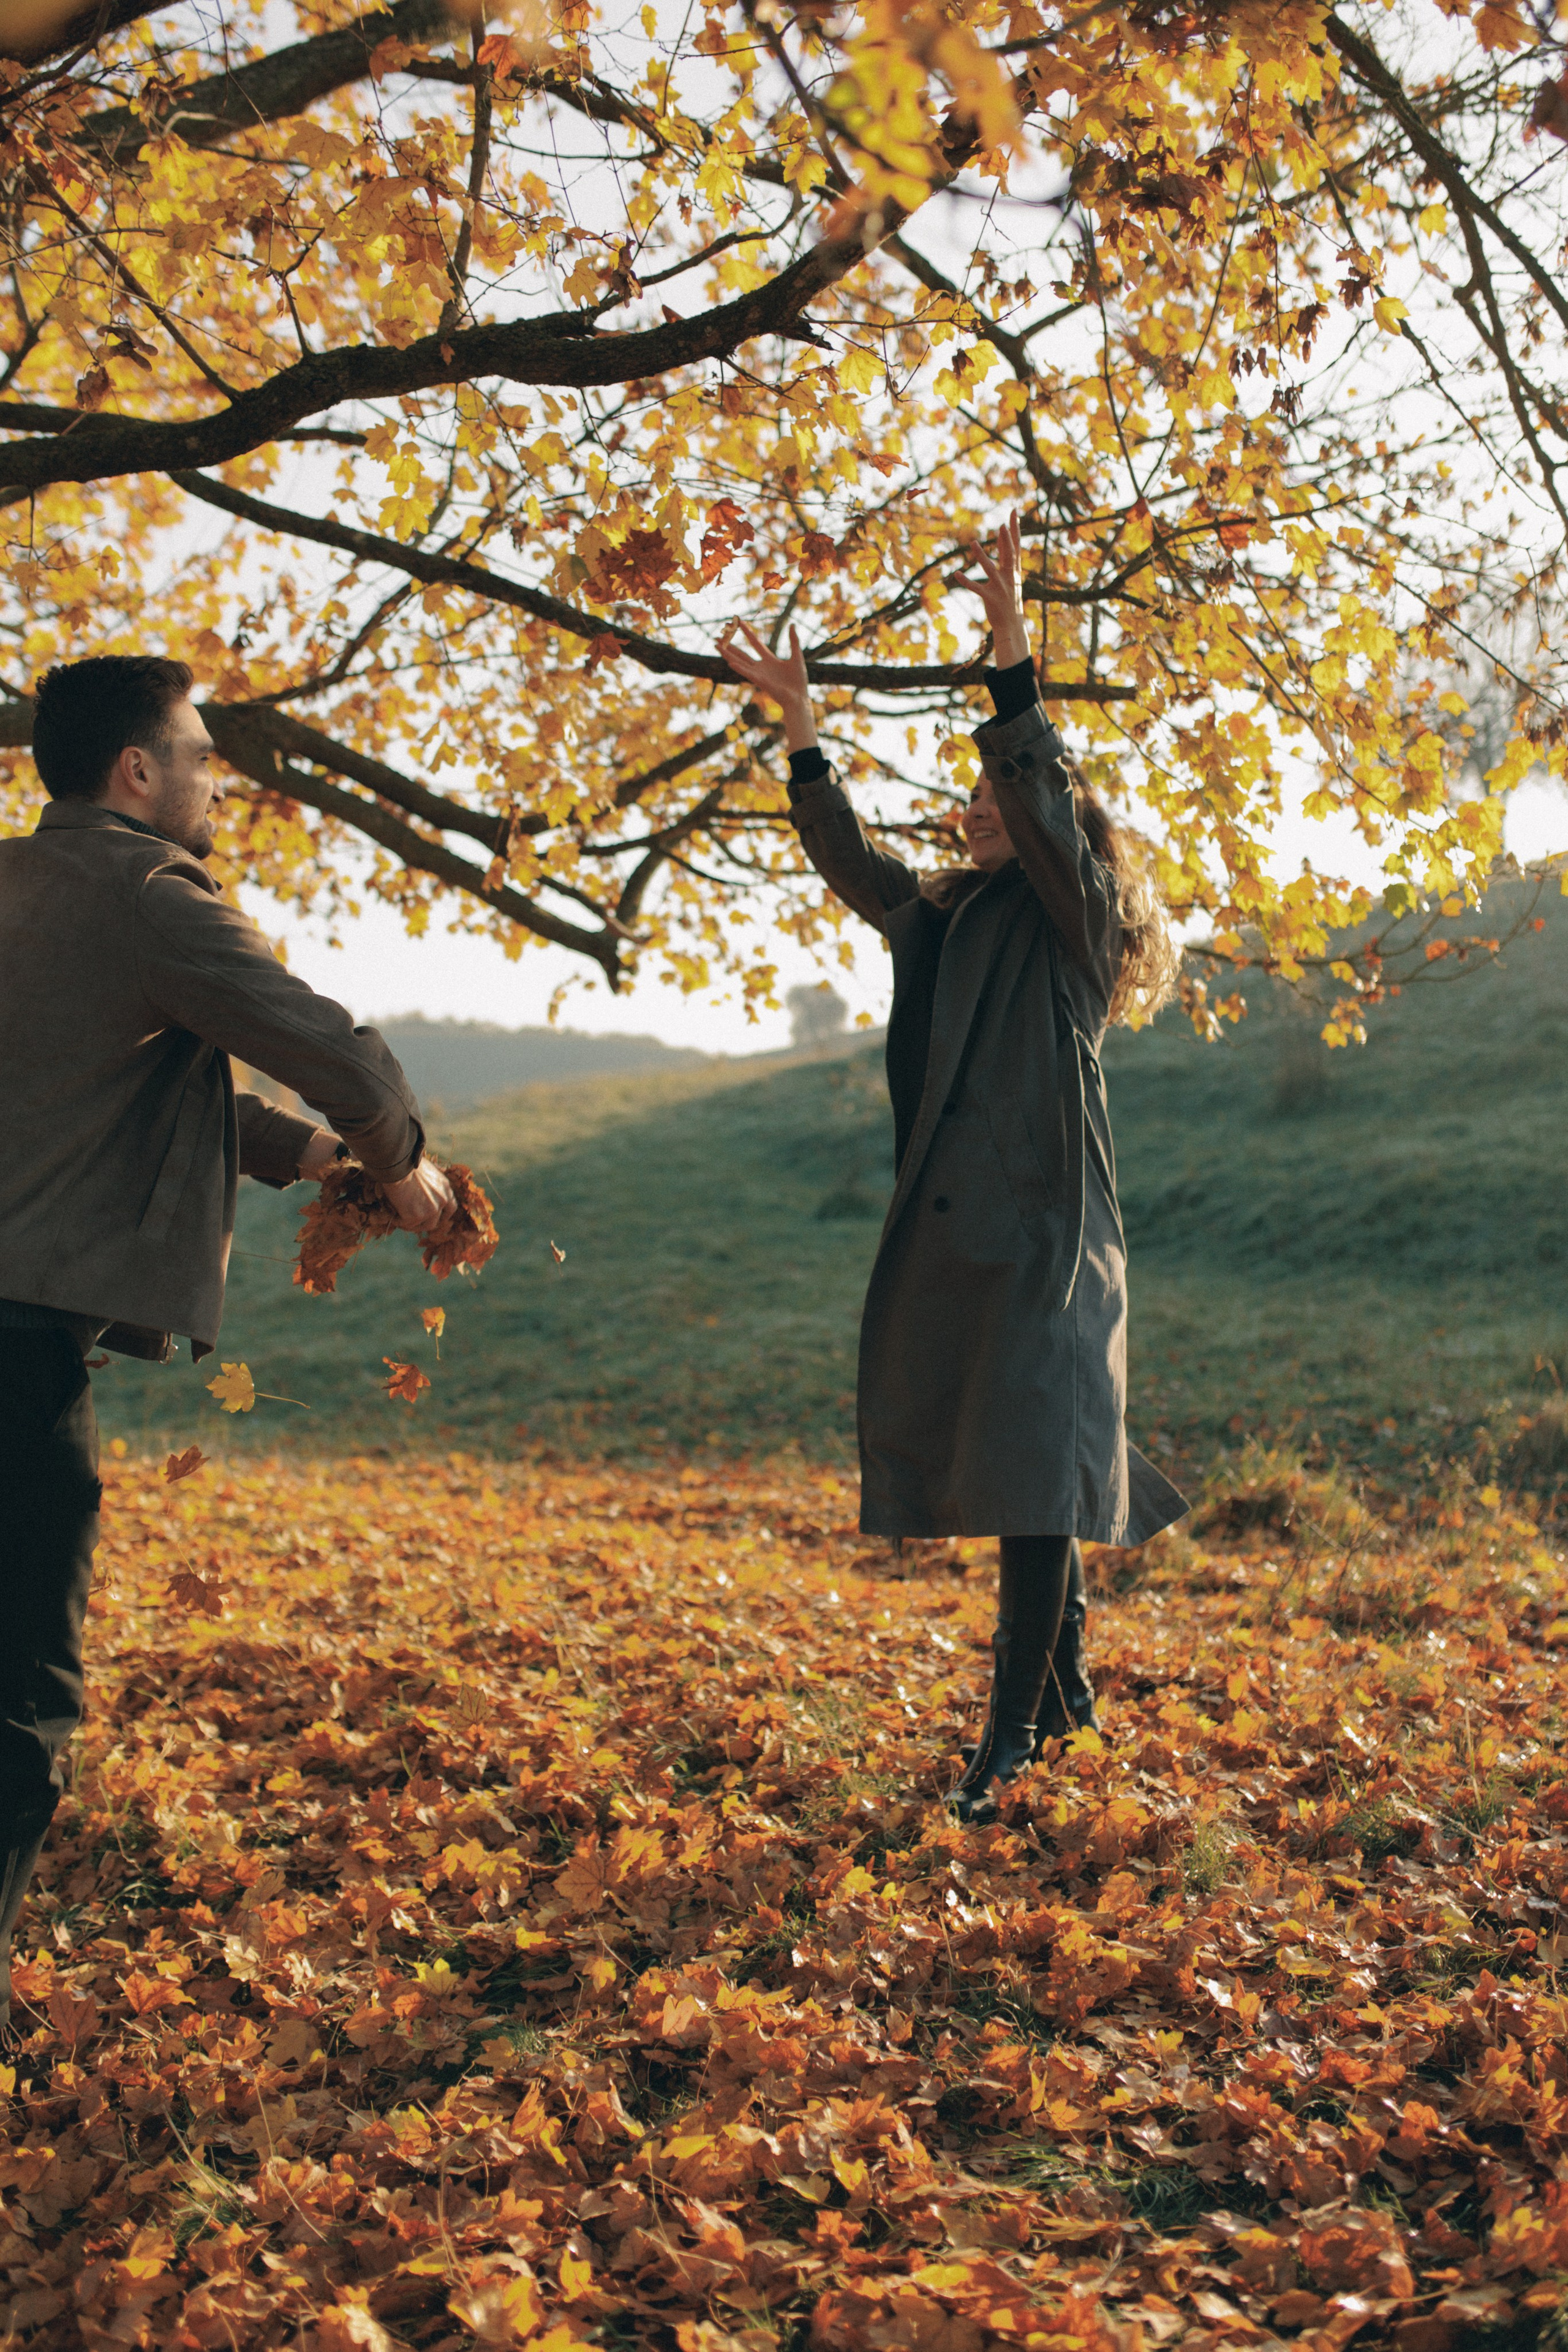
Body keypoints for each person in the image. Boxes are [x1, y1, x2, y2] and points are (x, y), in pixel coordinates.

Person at [0, 654, 454, 2044]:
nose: (214, 779)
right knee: (23, 1690)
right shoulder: (149, 895)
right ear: (136, 772)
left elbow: (109, 1077)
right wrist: (404, 1165)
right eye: (200, 755)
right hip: (16, 1347)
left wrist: (313, 1161)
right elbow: (349, 1058)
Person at [721, 517, 1187, 1819]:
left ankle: (1009, 1742)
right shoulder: (942, 919)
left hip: (1049, 1234)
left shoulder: (1071, 926)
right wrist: (803, 733)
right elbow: (851, 864)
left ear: (1056, 841)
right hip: (963, 1236)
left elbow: (1041, 802)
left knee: (1037, 1475)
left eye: (996, 798)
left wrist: (1008, 663)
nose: (975, 807)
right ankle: (1072, 1705)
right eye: (967, 799)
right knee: (1027, 1469)